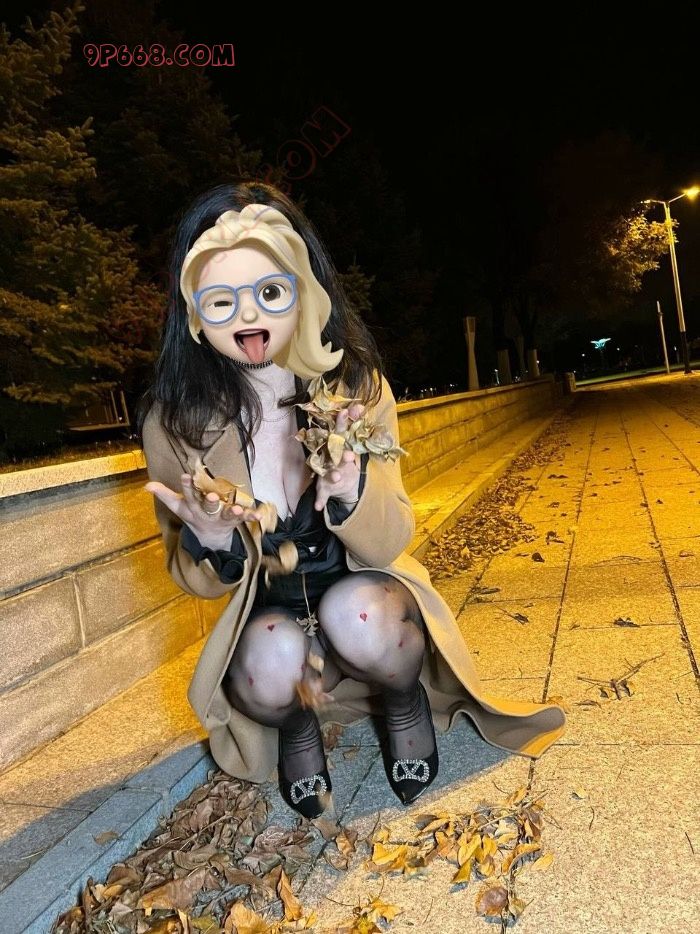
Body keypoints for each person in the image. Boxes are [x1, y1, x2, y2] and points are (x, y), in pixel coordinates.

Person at [138, 181, 566, 820]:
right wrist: (215, 538)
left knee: (359, 612)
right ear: (194, 310)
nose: (249, 317)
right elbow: (195, 582)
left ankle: (403, 700)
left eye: (270, 292)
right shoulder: (175, 420)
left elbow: (391, 540)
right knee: (269, 657)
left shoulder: (356, 388)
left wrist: (350, 490)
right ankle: (297, 728)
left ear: (305, 290)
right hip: (269, 618)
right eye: (222, 300)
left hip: (363, 591)